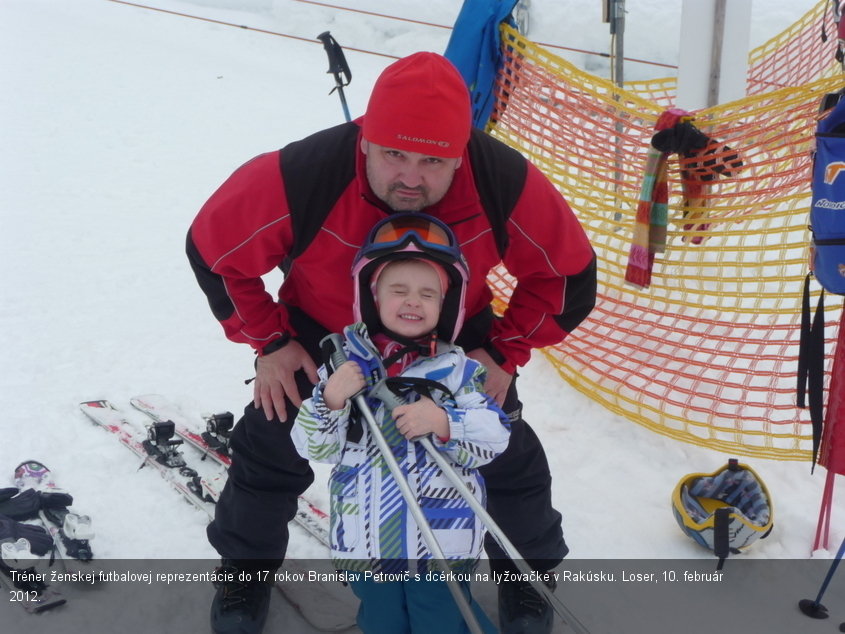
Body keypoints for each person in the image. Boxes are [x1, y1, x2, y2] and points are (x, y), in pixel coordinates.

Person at [187, 51, 597, 634]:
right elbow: (216, 250)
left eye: (434, 161)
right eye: (393, 153)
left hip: (450, 338)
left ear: (462, 152)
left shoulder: (500, 179)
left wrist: (504, 351)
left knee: (506, 454)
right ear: (364, 138)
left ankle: (526, 579)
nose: (411, 176)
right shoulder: (305, 173)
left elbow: (567, 274)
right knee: (272, 443)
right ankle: (244, 572)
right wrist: (271, 340)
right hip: (325, 337)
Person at [292, 213, 509, 633]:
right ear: (372, 298)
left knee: (443, 620)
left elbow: (494, 439)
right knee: (382, 620)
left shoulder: (457, 372)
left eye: (428, 293)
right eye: (399, 290)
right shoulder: (343, 372)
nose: (413, 301)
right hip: (367, 545)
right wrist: (331, 399)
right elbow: (312, 448)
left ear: (445, 307)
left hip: (440, 544)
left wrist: (446, 421)